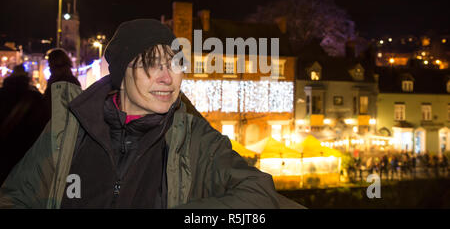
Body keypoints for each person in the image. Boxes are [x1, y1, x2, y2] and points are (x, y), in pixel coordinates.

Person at [0, 19, 284, 209]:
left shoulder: (194, 138)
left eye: (175, 64)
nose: (167, 77)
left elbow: (259, 194)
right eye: (151, 64)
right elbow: (14, 198)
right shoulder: (70, 129)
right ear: (122, 72)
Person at [0, 65, 49, 185]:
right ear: (26, 78)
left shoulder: (2, 95)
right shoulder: (34, 97)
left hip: (3, 149)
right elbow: (42, 124)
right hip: (26, 151)